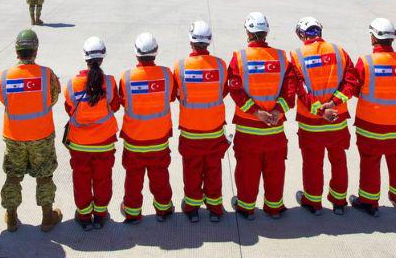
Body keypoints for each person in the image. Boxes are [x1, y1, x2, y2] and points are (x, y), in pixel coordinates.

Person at [227, 12, 297, 220]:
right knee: (275, 169)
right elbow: (290, 90)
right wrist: (277, 111)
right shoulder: (282, 57)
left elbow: (235, 90)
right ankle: (274, 208)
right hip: (274, 129)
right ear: (266, 32)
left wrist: (256, 112)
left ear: (248, 32)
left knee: (247, 171)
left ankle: (247, 209)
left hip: (249, 129)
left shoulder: (239, 58)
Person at [0, 30, 62, 233]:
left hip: (14, 136)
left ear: (17, 51)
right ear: (35, 50)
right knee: (44, 176)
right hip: (41, 135)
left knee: (13, 176)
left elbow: (3, 99)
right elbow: (53, 98)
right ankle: (47, 218)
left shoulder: (5, 76)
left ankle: (12, 218)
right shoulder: (46, 74)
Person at [290, 17, 359, 215]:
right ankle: (339, 202)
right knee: (338, 161)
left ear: (302, 34)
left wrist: (321, 110)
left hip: (312, 123)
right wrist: (334, 103)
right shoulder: (339, 51)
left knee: (313, 163)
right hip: (337, 120)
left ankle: (313, 202)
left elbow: (301, 91)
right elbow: (351, 82)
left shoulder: (297, 56)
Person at [350, 18, 396, 216]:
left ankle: (369, 201)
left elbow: (355, 88)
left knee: (370, 161)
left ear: (373, 38)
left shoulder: (366, 61)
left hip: (370, 123)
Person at [172, 21, 228, 222]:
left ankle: (192, 208)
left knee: (192, 171)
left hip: (190, 132)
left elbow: (176, 93)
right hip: (214, 131)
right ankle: (215, 208)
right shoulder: (220, 65)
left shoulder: (180, 67)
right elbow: (223, 91)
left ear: (191, 41)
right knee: (214, 170)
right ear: (209, 42)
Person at [118, 33, 176, 223]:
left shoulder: (126, 77)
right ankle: (164, 209)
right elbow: (171, 96)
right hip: (159, 139)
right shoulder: (167, 74)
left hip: (135, 140)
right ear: (155, 52)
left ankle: (133, 213)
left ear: (136, 54)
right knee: (160, 175)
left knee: (134, 178)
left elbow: (122, 100)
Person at [64, 37, 120, 230]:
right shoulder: (110, 83)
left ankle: (84, 216)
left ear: (85, 57)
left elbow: (69, 109)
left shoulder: (72, 84)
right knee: (103, 179)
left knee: (81, 180)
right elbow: (115, 106)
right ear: (102, 57)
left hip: (79, 144)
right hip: (104, 142)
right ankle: (100, 215)